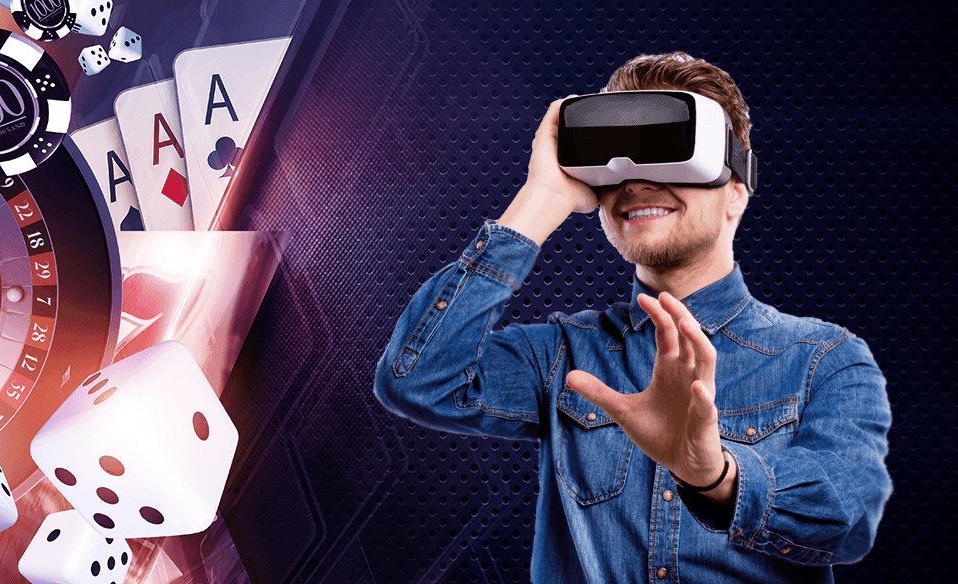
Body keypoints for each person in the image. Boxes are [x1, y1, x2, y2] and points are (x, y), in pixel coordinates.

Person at [373, 52, 892, 583]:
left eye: (666, 155)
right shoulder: (563, 355)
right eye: (616, 162)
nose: (636, 183)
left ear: (736, 190)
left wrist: (714, 475)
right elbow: (416, 378)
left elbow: (846, 522)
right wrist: (540, 198)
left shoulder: (826, 359)